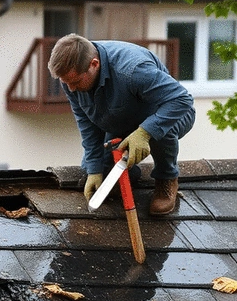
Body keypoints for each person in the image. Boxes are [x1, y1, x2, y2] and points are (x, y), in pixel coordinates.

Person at [48, 34, 195, 215]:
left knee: (159, 128)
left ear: (94, 64)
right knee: (97, 173)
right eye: (66, 83)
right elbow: (86, 121)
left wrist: (144, 132)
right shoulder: (72, 77)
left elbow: (181, 99)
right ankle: (129, 175)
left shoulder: (133, 70)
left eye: (76, 82)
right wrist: (94, 168)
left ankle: (167, 178)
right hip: (122, 120)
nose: (71, 88)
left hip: (170, 113)